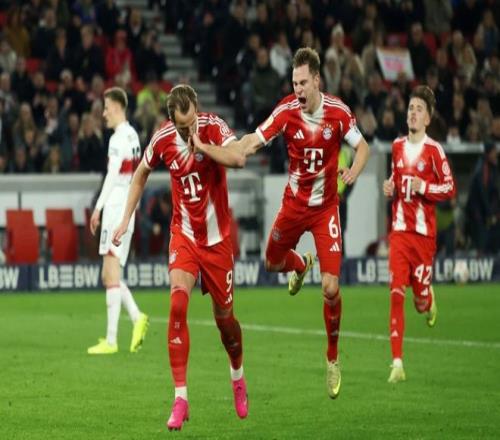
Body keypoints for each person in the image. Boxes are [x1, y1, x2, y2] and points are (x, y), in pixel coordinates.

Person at [191, 47, 370, 399]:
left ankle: (332, 358)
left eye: (303, 83)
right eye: (294, 83)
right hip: (293, 206)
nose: (298, 89)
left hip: (325, 210)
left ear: (317, 80)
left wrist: (354, 171)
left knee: (331, 287)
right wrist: (229, 148)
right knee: (272, 263)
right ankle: (300, 264)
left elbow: (362, 147)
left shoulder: (338, 112)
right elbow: (252, 141)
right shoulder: (286, 111)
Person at [112, 84, 248, 431]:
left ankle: (237, 376)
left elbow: (239, 158)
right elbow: (140, 174)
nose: (188, 132)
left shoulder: (213, 127)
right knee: (176, 304)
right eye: (182, 127)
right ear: (171, 121)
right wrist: (126, 219)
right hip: (184, 236)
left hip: (217, 242)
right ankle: (181, 398)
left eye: (191, 124)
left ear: (197, 109)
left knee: (225, 322)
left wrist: (204, 146)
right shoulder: (163, 138)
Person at [382, 85, 456, 383]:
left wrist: (424, 187)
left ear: (427, 118)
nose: (413, 113)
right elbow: (396, 177)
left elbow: (449, 188)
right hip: (400, 233)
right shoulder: (397, 146)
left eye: (419, 109)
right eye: (411, 108)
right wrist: (390, 185)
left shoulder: (434, 151)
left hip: (424, 238)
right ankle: (397, 363)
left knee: (419, 303)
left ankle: (427, 297)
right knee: (396, 293)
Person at [88, 87, 149, 355]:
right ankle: (136, 317)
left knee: (110, 273)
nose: (103, 113)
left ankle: (112, 341)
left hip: (115, 208)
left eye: (106, 108)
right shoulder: (133, 135)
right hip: (128, 207)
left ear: (116, 107)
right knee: (109, 274)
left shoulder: (116, 139)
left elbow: (112, 176)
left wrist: (97, 208)